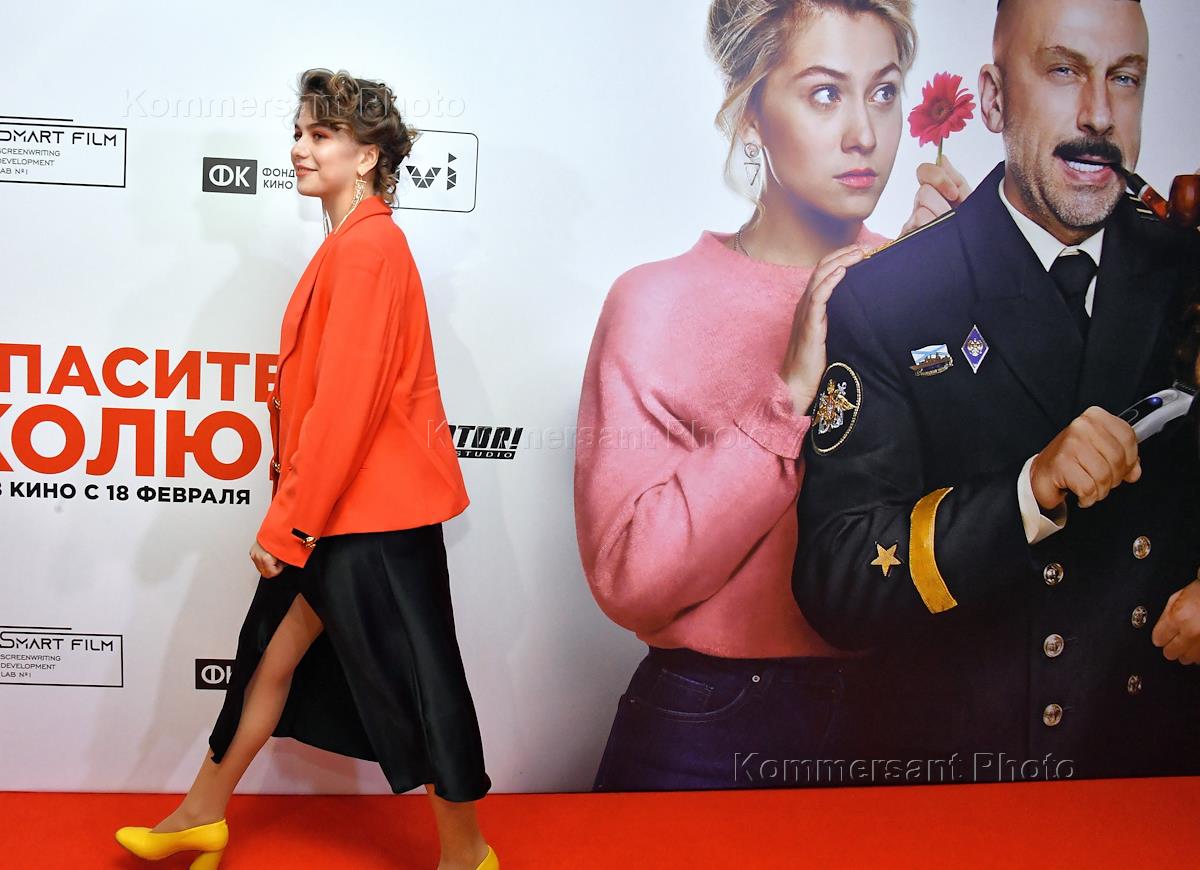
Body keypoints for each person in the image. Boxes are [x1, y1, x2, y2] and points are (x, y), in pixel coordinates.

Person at [792, 0, 1200, 783]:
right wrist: (1027, 492)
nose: (1099, 114)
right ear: (990, 98)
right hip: (971, 787)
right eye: (1063, 71)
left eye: (1125, 78)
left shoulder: (1187, 270)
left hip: (1159, 781)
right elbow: (837, 582)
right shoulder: (889, 297)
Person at [575, 0, 969, 791]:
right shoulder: (655, 302)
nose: (863, 133)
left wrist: (961, 297)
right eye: (825, 93)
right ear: (750, 112)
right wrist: (787, 393)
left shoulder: (933, 282)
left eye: (884, 92)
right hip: (709, 725)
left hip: (903, 714)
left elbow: (984, 526)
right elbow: (630, 581)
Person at [114, 69, 498, 869]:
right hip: (335, 511)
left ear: (367, 157)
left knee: (421, 684)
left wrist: (289, 524)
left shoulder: (368, 249)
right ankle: (200, 815)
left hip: (373, 518)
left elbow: (346, 408)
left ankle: (467, 854)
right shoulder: (351, 244)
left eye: (321, 135)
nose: (299, 148)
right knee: (265, 654)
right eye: (297, 132)